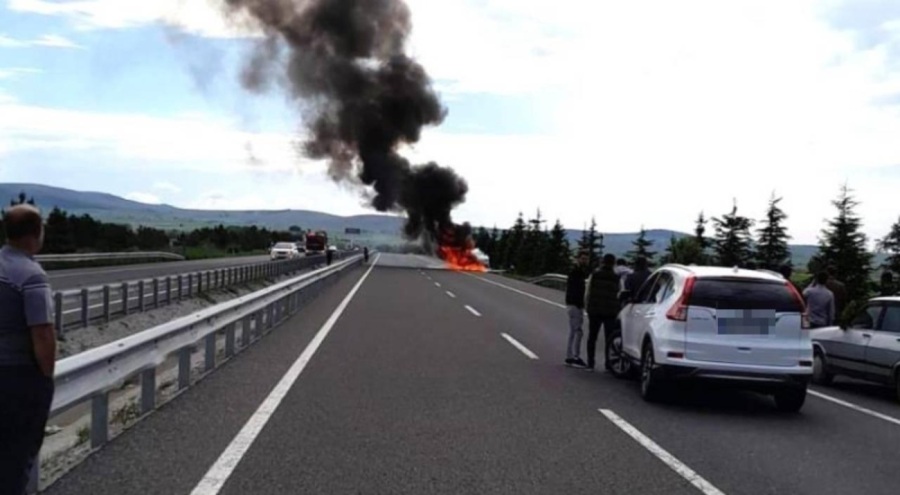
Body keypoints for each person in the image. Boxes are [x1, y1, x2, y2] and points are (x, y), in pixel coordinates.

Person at [0, 205, 56, 494]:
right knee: (15, 460)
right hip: (17, 379)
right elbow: (43, 334)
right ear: (37, 233)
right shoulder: (31, 275)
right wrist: (45, 379)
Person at [585, 254, 621, 372]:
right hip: (610, 311)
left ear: (602, 262)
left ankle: (590, 363)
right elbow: (620, 294)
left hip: (595, 310)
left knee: (592, 336)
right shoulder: (617, 277)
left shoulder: (595, 275)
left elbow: (588, 291)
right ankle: (608, 364)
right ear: (614, 263)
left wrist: (587, 306)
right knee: (609, 338)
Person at [564, 252, 589, 368]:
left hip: (573, 304)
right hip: (575, 304)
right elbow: (576, 290)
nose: (584, 261)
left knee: (575, 331)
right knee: (576, 331)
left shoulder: (577, 272)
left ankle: (572, 355)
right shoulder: (576, 272)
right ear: (578, 259)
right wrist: (579, 303)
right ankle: (573, 356)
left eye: (586, 259)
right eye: (583, 258)